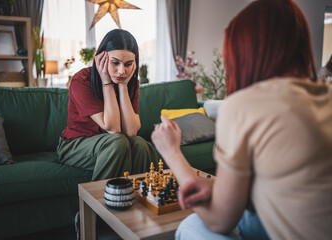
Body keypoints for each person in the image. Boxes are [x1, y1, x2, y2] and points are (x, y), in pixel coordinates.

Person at [151, 0, 332, 239]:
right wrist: (216, 187)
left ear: (243, 54)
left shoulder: (244, 106)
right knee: (248, 216)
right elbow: (291, 183)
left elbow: (219, 220)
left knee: (190, 226)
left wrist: (172, 152)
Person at [57, 29, 158, 181]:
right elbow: (113, 128)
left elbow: (131, 132)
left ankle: (143, 200)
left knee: (141, 145)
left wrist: (123, 87)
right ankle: (99, 204)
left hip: (112, 143)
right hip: (76, 144)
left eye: (128, 64)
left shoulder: (130, 82)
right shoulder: (81, 80)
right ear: (101, 58)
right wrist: (106, 81)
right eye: (115, 63)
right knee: (117, 142)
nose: (121, 71)